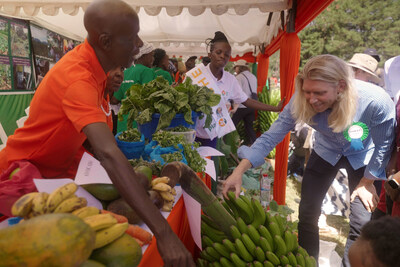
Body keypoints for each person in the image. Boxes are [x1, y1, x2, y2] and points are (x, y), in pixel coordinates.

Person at [0, 1, 194, 266]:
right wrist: (164, 233)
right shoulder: (77, 79)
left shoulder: (97, 70)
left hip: (58, 172)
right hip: (22, 177)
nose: (139, 44)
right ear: (105, 41)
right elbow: (107, 152)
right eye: (132, 37)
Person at [222, 54, 396, 266]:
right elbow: (271, 136)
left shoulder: (375, 101)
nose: (312, 99)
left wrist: (367, 182)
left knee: (361, 223)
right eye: (307, 92)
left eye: (320, 93)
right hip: (326, 152)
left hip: (363, 158)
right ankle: (306, 262)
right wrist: (239, 171)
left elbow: (384, 145)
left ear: (340, 86)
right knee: (307, 214)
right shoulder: (301, 100)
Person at [186, 31, 283, 148]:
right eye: (218, 52)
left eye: (227, 54)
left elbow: (246, 100)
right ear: (210, 54)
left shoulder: (230, 80)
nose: (223, 56)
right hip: (190, 131)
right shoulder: (194, 76)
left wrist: (275, 108)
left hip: (211, 135)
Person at [111, 41, 155, 133]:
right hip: (139, 124)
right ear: (144, 55)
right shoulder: (147, 71)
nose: (153, 59)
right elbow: (150, 98)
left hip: (123, 123)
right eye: (151, 55)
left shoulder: (125, 72)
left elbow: (114, 100)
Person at [231, 59, 258, 145]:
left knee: (230, 127)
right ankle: (256, 147)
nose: (235, 70)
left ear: (239, 67)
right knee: (249, 128)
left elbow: (238, 94)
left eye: (236, 67)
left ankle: (229, 146)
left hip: (241, 107)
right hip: (252, 106)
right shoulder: (253, 77)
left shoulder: (239, 77)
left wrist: (234, 107)